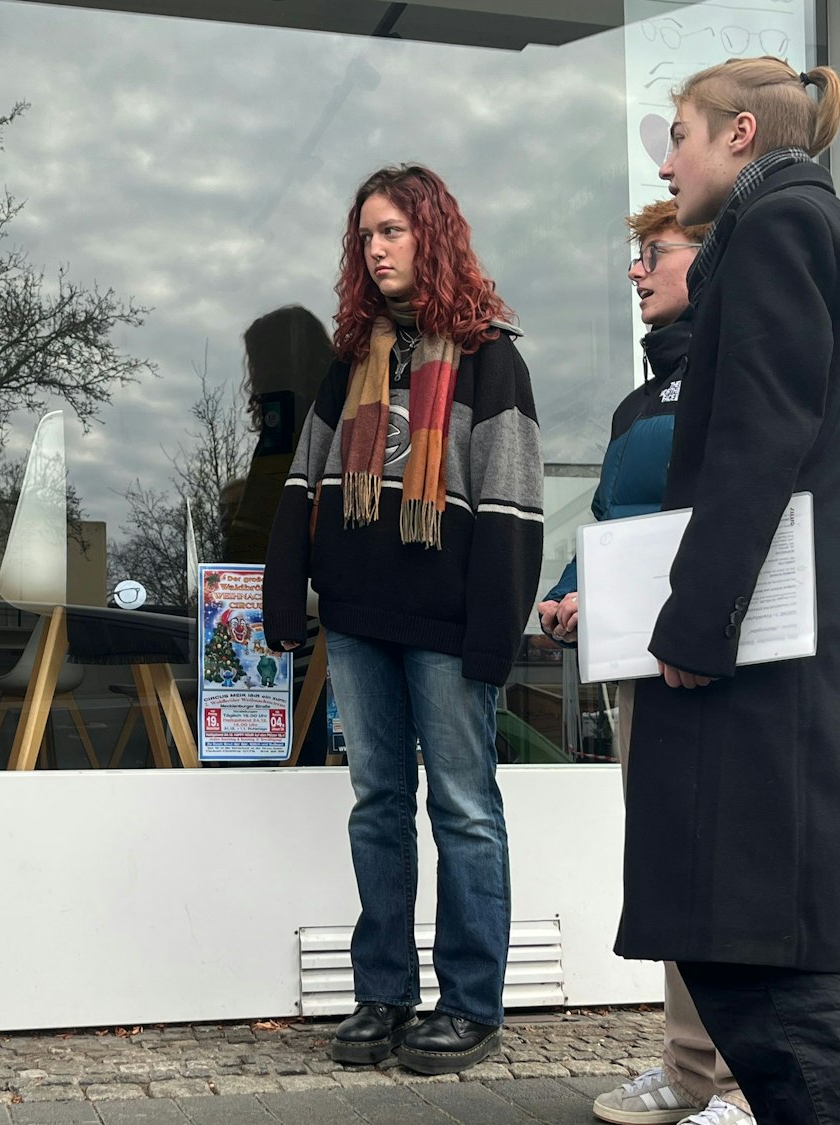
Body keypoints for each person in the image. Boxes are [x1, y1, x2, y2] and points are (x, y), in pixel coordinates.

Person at [621, 59, 840, 1125]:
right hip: (787, 625)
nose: (666, 158)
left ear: (738, 132)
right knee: (793, 938)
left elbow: (757, 442)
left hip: (753, 640)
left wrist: (696, 619)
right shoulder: (813, 225)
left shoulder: (773, 229)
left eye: (677, 134)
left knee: (752, 944)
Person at [263, 164, 543, 1076]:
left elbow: (510, 506)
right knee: (377, 805)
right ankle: (383, 992)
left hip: (448, 622)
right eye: (366, 235)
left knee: (464, 808)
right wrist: (284, 594)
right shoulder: (351, 361)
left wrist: (496, 632)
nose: (376, 248)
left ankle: (471, 1003)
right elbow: (305, 481)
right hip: (358, 617)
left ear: (433, 235)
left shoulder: (493, 358)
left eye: (393, 231)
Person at [536, 199, 752, 1125]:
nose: (636, 271)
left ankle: (748, 1082)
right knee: (670, 861)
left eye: (652, 254)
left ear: (706, 259)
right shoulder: (638, 400)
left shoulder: (738, 370)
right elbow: (619, 527)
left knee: (730, 862)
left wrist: (623, 599)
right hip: (639, 657)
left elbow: (727, 514)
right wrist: (566, 587)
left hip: (712, 652)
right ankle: (690, 1069)